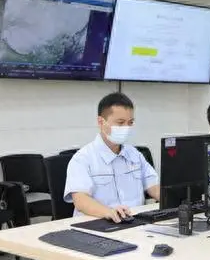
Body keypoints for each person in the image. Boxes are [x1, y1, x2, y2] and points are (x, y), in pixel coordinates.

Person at [64, 92, 160, 222]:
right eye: (120, 123)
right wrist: (108, 212)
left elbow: (153, 186)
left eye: (130, 122)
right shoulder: (83, 158)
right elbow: (81, 200)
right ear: (101, 122)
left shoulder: (135, 154)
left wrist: (177, 200)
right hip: (97, 224)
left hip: (134, 222)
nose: (126, 128)